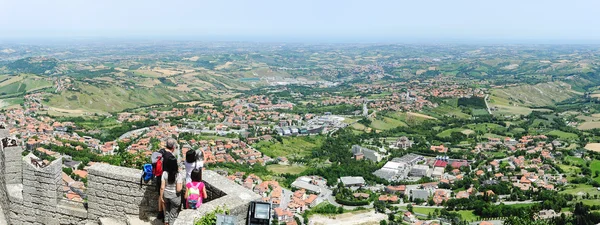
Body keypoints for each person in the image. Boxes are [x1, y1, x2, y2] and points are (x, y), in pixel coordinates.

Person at [157, 138, 177, 221]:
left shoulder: (161, 151)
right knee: (165, 198)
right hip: (166, 179)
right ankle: (165, 217)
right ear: (173, 147)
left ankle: (160, 213)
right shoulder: (171, 157)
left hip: (159, 176)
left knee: (160, 195)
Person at [160, 155, 183, 225]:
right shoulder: (178, 175)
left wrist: (161, 197)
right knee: (172, 215)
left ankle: (166, 223)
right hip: (175, 197)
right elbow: (178, 189)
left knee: (167, 212)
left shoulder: (164, 173)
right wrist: (182, 185)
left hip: (166, 195)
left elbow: (162, 187)